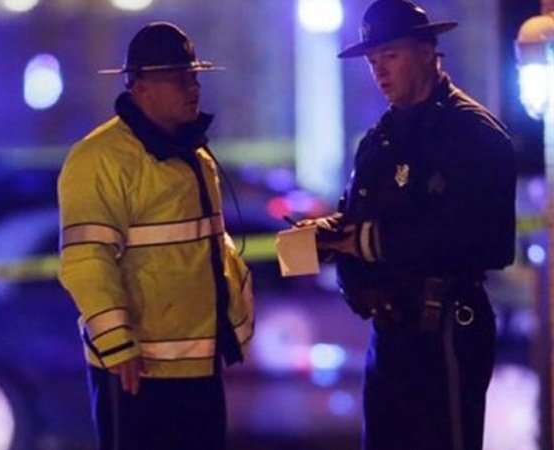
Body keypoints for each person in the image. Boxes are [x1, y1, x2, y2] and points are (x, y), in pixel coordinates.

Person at [301, 1, 517, 449]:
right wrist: (354, 277)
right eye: (372, 61)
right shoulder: (380, 140)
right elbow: (357, 217)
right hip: (391, 333)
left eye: (390, 56)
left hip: (448, 329)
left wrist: (368, 242)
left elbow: (482, 238)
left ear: (426, 51)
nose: (379, 71)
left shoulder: (472, 133)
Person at [57, 21, 254, 450]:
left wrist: (233, 326)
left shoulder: (194, 156)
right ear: (140, 86)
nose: (193, 87)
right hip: (137, 371)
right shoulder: (100, 158)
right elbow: (86, 259)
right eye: (179, 78)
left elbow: (208, 249)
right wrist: (117, 345)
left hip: (198, 368)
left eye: (194, 76)